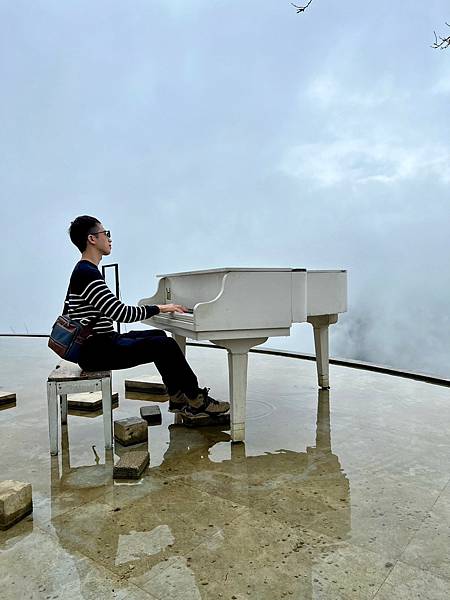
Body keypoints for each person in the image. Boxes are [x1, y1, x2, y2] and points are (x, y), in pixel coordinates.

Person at [65, 215, 229, 419]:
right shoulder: (87, 273)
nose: (109, 239)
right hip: (96, 352)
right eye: (105, 234)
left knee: (160, 335)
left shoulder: (85, 271)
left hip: (100, 344)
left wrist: (160, 309)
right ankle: (197, 399)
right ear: (92, 239)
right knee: (164, 346)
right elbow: (120, 313)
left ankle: (178, 397)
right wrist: (161, 308)